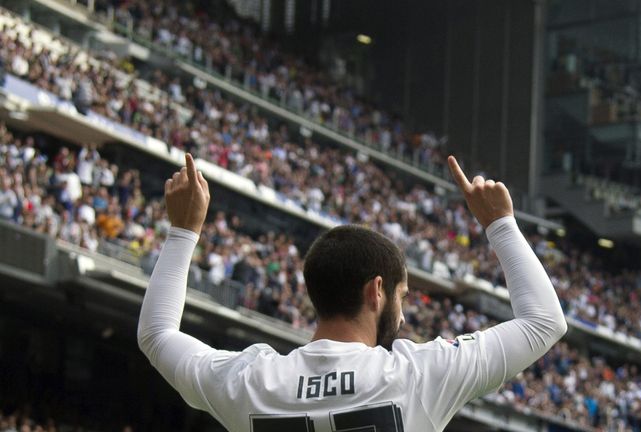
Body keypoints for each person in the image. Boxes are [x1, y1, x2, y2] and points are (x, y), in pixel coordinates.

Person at [138, 154, 567, 432]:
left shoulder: (252, 380)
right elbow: (545, 321)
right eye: (401, 296)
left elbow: (156, 335)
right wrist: (501, 223)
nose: (401, 318)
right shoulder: (420, 374)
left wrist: (183, 231)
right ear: (376, 291)